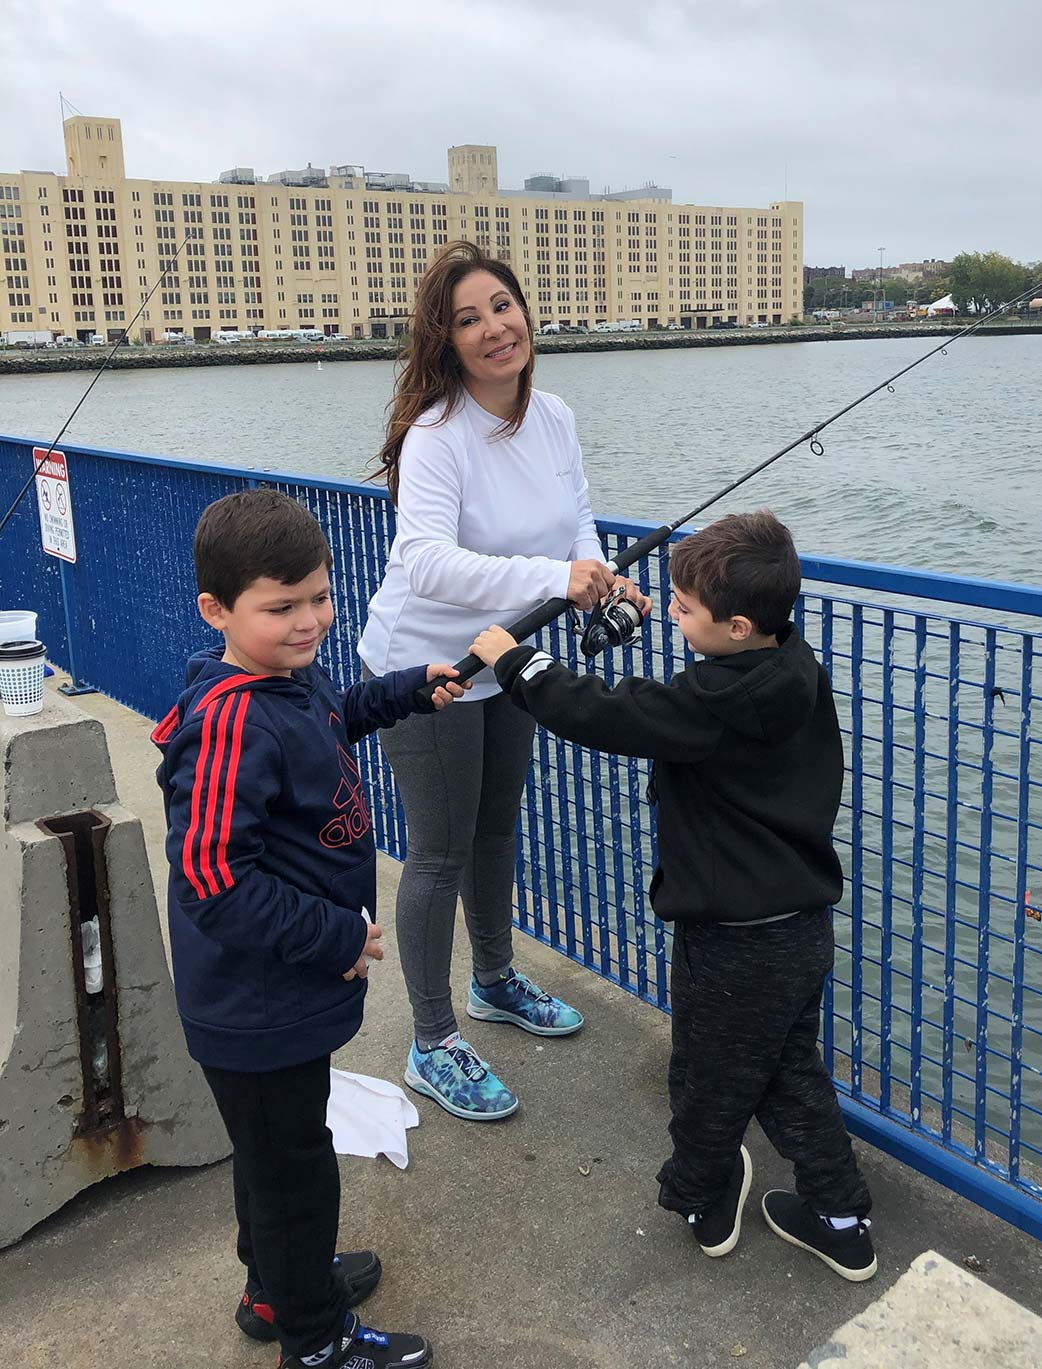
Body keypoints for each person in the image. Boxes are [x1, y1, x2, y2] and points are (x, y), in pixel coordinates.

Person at [469, 510, 877, 1280]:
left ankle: (701, 1195)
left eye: (686, 609)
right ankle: (842, 1213)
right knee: (789, 1071)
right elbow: (676, 702)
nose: (674, 616)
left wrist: (519, 664)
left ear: (739, 623)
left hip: (732, 938)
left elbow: (614, 713)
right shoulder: (793, 665)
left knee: (704, 1076)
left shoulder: (714, 704)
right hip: (801, 925)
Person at [154, 488, 466, 1369]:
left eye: (320, 598)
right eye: (281, 607)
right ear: (218, 610)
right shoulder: (230, 722)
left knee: (271, 1159)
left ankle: (273, 1287)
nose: (309, 621)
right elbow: (213, 878)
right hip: (257, 1006)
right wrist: (334, 937)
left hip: (275, 999)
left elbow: (339, 714)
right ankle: (316, 1338)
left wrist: (412, 687)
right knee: (297, 1174)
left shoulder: (287, 682)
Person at [358, 240, 649, 1121]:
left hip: (509, 660)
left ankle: (493, 980)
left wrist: (598, 571)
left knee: (496, 831)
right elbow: (428, 565)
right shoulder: (438, 436)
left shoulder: (552, 412)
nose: (494, 328)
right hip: (432, 666)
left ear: (527, 310)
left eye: (502, 305)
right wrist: (553, 581)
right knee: (439, 852)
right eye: (468, 318)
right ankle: (433, 1038)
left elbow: (579, 513)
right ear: (443, 342)